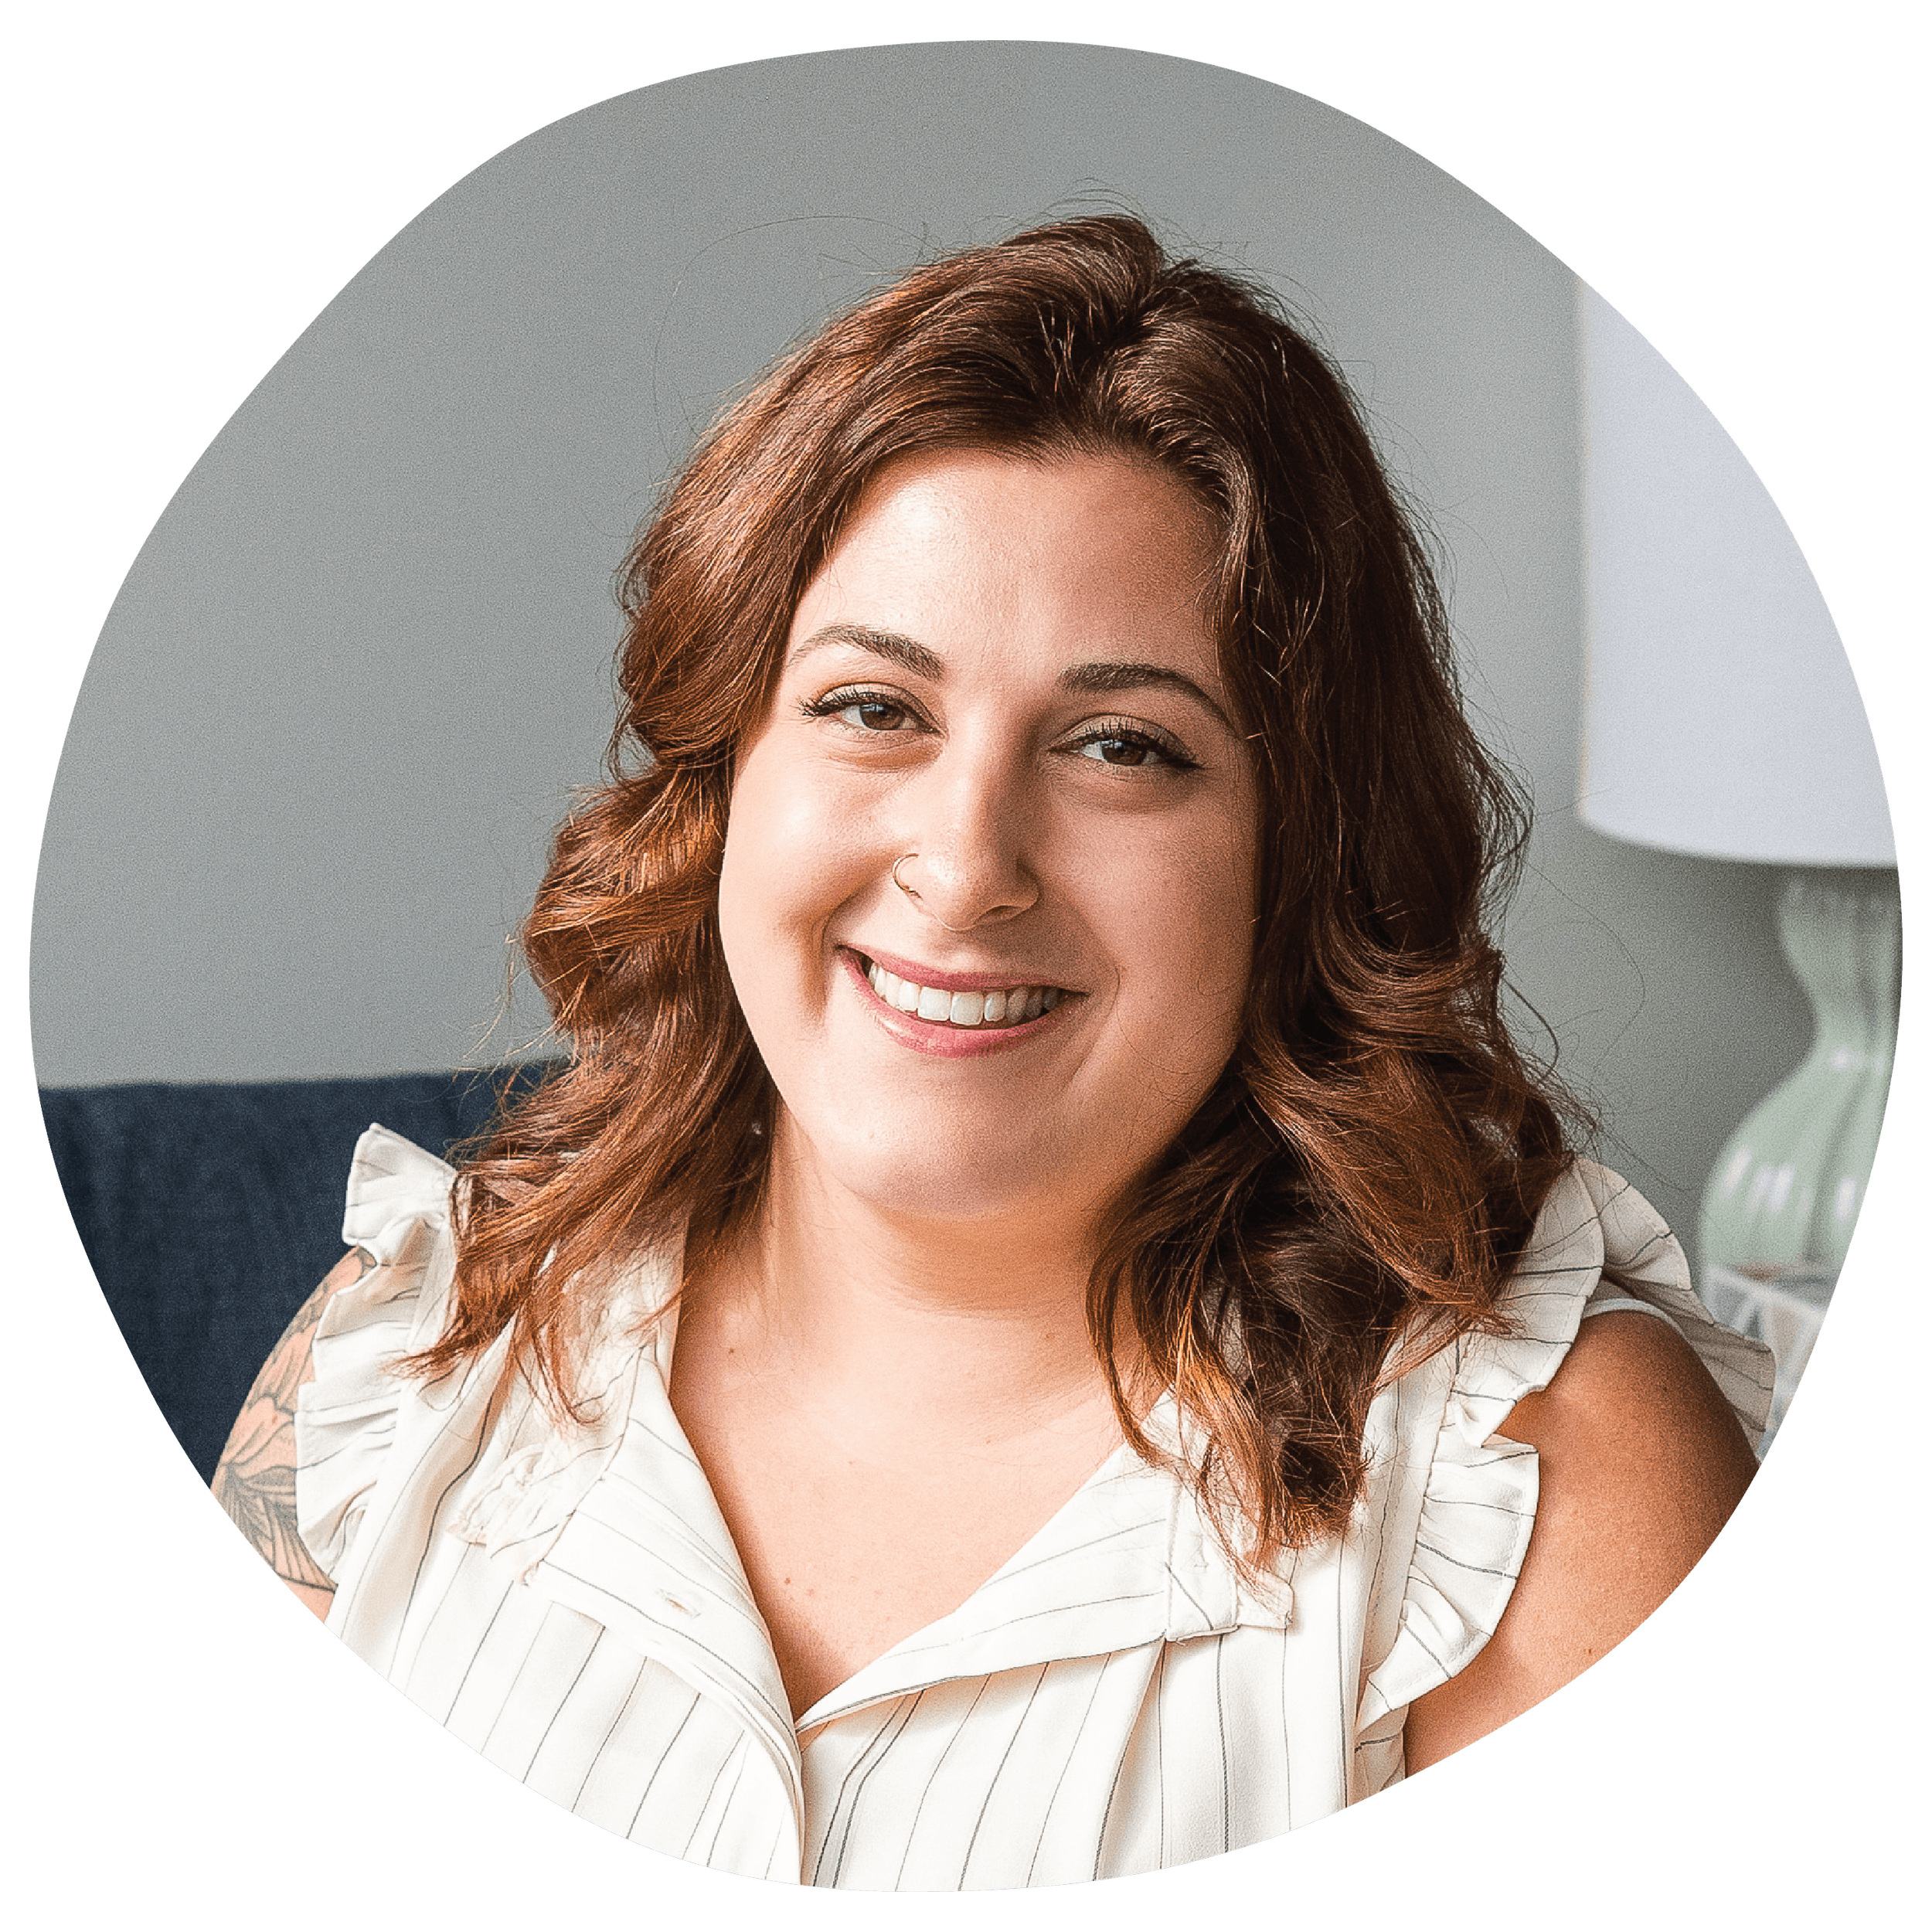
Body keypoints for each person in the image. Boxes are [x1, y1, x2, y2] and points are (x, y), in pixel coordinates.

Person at [213, 215, 1770, 1889]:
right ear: (725, 772)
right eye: (873, 706)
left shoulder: (1547, 1483)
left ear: (1295, 852)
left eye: (1120, 745)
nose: (964, 865)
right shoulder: (405, 1350)